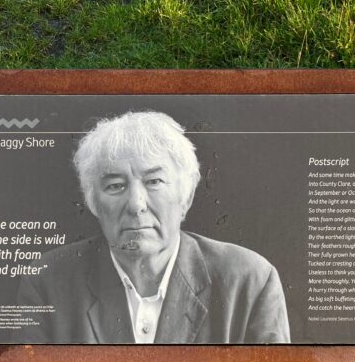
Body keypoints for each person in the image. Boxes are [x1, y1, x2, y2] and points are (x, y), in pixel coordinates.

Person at [15, 111, 290, 344]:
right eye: (115, 186)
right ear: (94, 204)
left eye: (154, 181)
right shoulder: (45, 282)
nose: (136, 204)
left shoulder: (250, 279)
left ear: (186, 197)